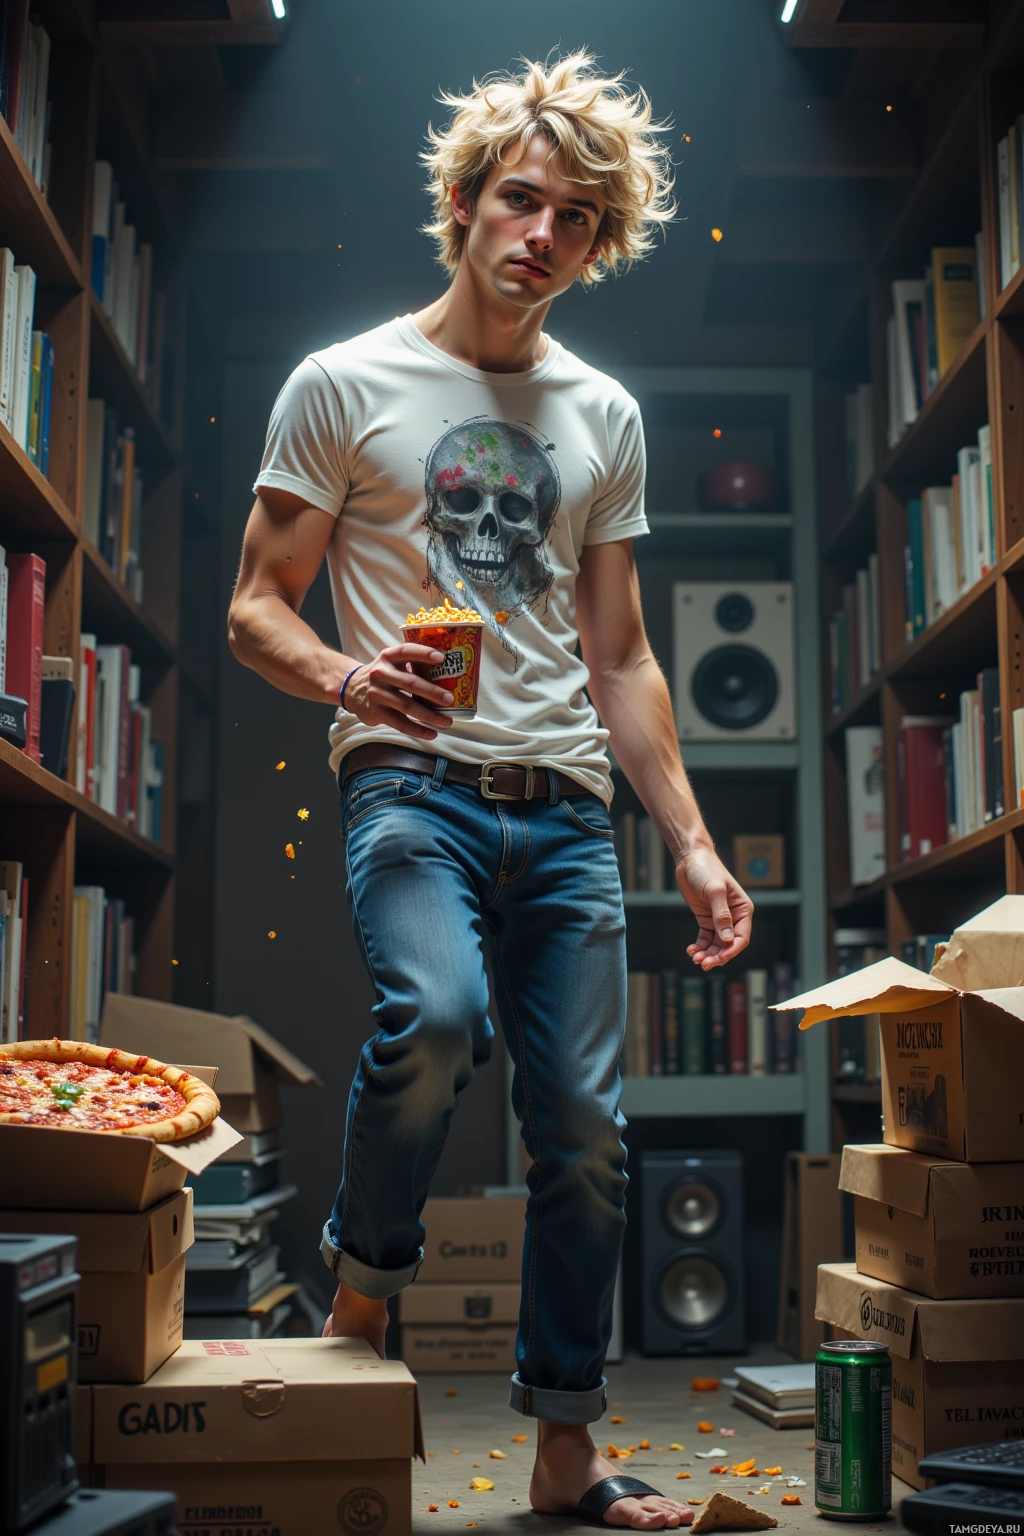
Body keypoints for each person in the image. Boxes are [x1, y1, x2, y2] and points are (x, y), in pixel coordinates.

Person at [228, 52, 753, 1531]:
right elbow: (256, 607)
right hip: (413, 782)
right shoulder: (344, 383)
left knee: (585, 1129)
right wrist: (345, 679)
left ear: (599, 246)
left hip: (569, 810)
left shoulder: (606, 415)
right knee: (436, 1014)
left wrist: (696, 849)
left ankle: (567, 1449)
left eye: (579, 218)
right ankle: (362, 1299)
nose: (543, 232)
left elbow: (625, 656)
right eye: (521, 198)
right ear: (463, 204)